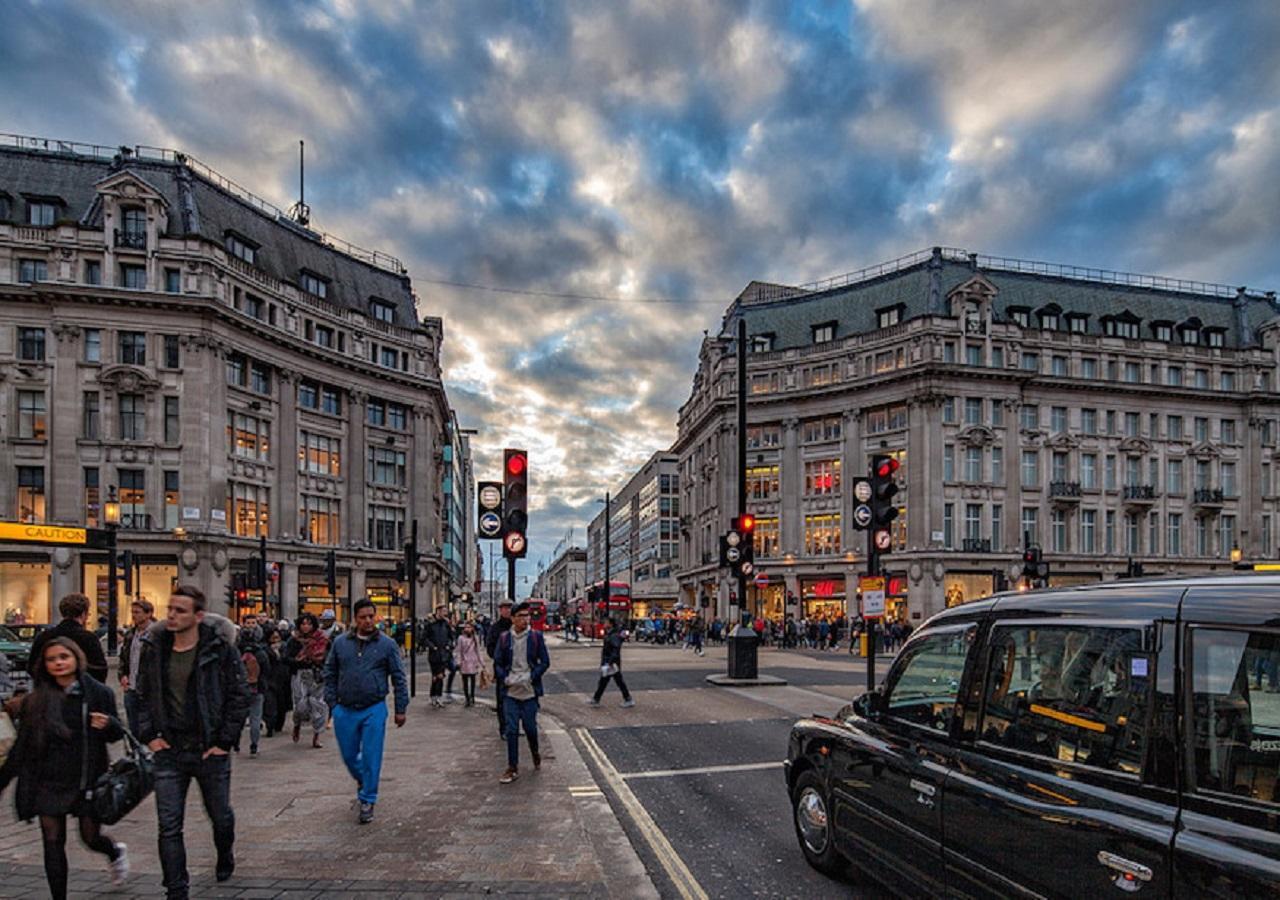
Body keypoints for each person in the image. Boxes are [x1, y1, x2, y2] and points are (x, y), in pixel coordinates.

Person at [135, 586, 249, 900]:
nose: (171, 615)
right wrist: (150, 736)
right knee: (169, 826)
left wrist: (224, 742)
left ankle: (224, 853)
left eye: (180, 610)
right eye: (170, 608)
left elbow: (239, 696)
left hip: (209, 749)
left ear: (198, 616)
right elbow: (141, 694)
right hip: (169, 750)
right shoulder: (154, 648)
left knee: (220, 815)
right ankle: (176, 889)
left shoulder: (219, 649)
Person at [0, 638, 129, 899]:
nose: (58, 663)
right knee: (52, 840)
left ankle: (114, 853)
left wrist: (109, 724)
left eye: (63, 657)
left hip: (86, 778)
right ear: (44, 665)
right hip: (48, 781)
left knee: (90, 837)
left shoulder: (97, 694)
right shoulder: (36, 700)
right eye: (51, 659)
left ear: (76, 659)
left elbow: (116, 735)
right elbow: (21, 747)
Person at [324, 598, 408, 824]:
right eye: (363, 617)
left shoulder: (387, 645)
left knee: (372, 756)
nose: (368, 621)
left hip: (374, 707)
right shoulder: (340, 643)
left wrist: (401, 707)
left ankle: (368, 799)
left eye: (372, 616)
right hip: (345, 708)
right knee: (350, 756)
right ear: (355, 619)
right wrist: (332, 703)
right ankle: (363, 779)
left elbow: (399, 678)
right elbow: (329, 672)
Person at [493, 601, 550, 784]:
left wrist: (531, 677)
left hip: (529, 692)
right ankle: (512, 767)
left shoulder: (536, 637)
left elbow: (545, 662)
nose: (525, 619)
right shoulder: (504, 638)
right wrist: (505, 678)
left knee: (530, 728)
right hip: (510, 692)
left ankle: (535, 752)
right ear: (513, 619)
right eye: (521, 616)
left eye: (527, 616)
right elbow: (498, 663)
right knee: (511, 729)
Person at [29, 593, 109, 685]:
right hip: (83, 693)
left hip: (49, 690)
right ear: (83, 614)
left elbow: (32, 667)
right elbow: (99, 669)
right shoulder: (88, 638)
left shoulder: (44, 636)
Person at [284, 613, 329, 748]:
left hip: (317, 675)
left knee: (318, 705)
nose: (306, 627)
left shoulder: (322, 640)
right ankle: (297, 724)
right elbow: (286, 658)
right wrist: (298, 661)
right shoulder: (293, 641)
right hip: (299, 674)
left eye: (309, 624)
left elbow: (330, 657)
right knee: (300, 705)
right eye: (303, 624)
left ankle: (317, 735)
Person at [117, 598, 155, 734]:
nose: (134, 615)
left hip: (148, 690)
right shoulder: (130, 635)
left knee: (148, 728)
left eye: (137, 612)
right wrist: (122, 675)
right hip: (131, 687)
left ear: (148, 614)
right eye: (133, 612)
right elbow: (124, 659)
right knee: (132, 727)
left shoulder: (156, 635)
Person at [235, 614, 271, 757]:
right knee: (256, 718)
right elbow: (267, 670)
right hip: (257, 688)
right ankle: (254, 746)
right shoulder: (261, 652)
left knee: (238, 718)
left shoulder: (237, 650)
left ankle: (236, 744)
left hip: (240, 689)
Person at [589, 619, 635, 708]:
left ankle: (628, 699)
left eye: (606, 622)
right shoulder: (610, 633)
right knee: (605, 681)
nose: (604, 624)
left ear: (610, 624)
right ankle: (596, 699)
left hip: (612, 663)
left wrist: (610, 662)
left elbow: (615, 650)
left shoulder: (613, 635)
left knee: (616, 681)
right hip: (610, 662)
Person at [485, 599, 514, 739]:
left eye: (510, 608)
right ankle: (504, 729)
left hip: (518, 669)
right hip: (502, 669)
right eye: (505, 608)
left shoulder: (517, 626)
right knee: (502, 701)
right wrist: (500, 659)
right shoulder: (495, 628)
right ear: (500, 610)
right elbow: (490, 648)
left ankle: (513, 727)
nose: (508, 610)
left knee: (517, 700)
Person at [263, 627, 292, 737]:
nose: (275, 640)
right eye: (273, 637)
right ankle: (270, 726)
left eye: (277, 637)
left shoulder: (284, 647)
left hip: (283, 680)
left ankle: (279, 725)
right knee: (270, 705)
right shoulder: (265, 649)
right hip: (270, 680)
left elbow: (287, 659)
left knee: (282, 705)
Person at [425, 606, 454, 708]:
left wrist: (448, 646)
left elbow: (451, 637)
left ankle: (438, 697)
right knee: (435, 677)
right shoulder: (430, 624)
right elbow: (424, 638)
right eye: (443, 611)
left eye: (445, 611)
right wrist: (433, 647)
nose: (445, 613)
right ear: (438, 611)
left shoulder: (446, 624)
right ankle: (434, 696)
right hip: (434, 655)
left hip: (444, 654)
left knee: (440, 676)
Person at [453, 621, 484, 707]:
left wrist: (481, 662)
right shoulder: (461, 638)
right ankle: (467, 698)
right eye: (466, 627)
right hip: (464, 662)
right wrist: (458, 662)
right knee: (465, 681)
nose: (467, 629)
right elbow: (458, 650)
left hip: (473, 662)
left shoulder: (475, 638)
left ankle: (472, 697)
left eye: (469, 627)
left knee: (473, 681)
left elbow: (478, 650)